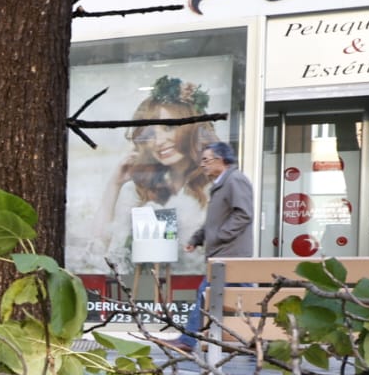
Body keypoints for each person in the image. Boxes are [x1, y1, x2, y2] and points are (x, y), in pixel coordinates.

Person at [91, 77, 214, 276]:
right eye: (150, 135)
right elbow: (98, 249)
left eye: (168, 128)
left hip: (194, 289)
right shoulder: (141, 189)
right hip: (142, 289)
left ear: (192, 129)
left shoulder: (212, 188)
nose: (159, 142)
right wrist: (114, 184)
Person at [171, 140, 253, 353]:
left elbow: (243, 214)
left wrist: (219, 236)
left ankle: (187, 341)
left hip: (230, 253)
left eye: (206, 160)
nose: (203, 165)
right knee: (246, 298)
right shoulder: (221, 184)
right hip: (224, 253)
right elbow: (213, 221)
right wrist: (197, 239)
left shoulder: (235, 180)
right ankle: (263, 339)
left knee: (207, 292)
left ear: (221, 160)